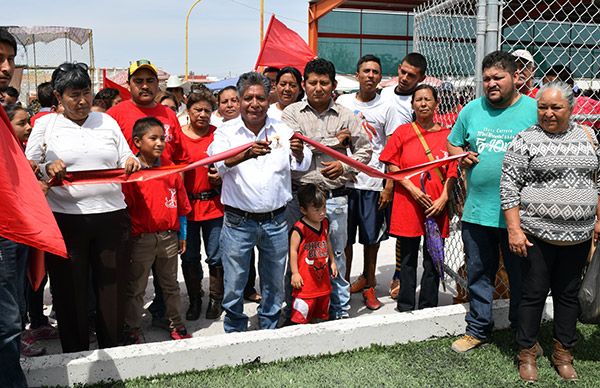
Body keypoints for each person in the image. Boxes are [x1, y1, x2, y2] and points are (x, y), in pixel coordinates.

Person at [25, 61, 141, 353]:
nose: (82, 101)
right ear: (59, 97)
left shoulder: (108, 122)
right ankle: (74, 352)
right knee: (69, 289)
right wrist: (46, 166)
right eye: (74, 94)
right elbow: (29, 167)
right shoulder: (46, 125)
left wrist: (131, 162)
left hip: (111, 217)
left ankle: (111, 348)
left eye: (86, 93)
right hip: (66, 220)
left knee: (111, 288)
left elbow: (128, 158)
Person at [500, 81, 599, 382]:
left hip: (579, 236)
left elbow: (597, 179)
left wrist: (597, 219)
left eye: (556, 107)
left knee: (568, 296)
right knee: (533, 294)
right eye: (543, 107)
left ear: (571, 108)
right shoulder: (525, 140)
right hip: (536, 235)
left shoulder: (588, 135)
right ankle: (527, 351)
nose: (548, 113)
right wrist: (514, 229)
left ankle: (563, 352)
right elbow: (508, 187)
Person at [447, 50, 537, 353]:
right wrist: (460, 155)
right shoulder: (471, 110)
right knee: (478, 274)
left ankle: (523, 333)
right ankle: (478, 329)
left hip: (520, 217)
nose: (491, 83)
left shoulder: (534, 111)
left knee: (522, 278)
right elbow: (452, 142)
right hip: (477, 212)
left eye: (498, 77)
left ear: (516, 78)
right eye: (486, 78)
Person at [208, 71, 311, 333]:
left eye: (261, 98)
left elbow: (303, 163)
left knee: (273, 280)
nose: (255, 103)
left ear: (269, 99)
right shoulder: (226, 131)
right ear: (240, 100)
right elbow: (217, 164)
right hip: (237, 221)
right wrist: (244, 155)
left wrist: (299, 152)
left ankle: (269, 326)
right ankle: (235, 328)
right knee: (235, 281)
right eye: (248, 98)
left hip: (276, 220)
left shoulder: (282, 129)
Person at [282, 58, 372, 320]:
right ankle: (295, 309)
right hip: (299, 200)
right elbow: (295, 145)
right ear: (304, 84)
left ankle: (339, 309)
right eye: (312, 82)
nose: (318, 88)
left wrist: (345, 168)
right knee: (296, 257)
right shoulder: (291, 113)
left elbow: (365, 150)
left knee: (337, 256)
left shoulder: (347, 115)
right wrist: (336, 142)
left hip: (334, 198)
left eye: (324, 83)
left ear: (333, 85)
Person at [380, 84, 458, 312]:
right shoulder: (403, 132)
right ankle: (405, 305)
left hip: (436, 206)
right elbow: (392, 164)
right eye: (418, 100)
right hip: (408, 204)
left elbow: (453, 170)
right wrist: (411, 189)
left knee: (433, 257)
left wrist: (444, 197)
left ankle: (428, 304)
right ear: (412, 104)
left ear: (436, 103)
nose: (423, 104)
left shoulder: (447, 135)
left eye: (427, 99)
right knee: (407, 257)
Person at [336, 54, 400, 310]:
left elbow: (393, 149)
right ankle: (343, 284)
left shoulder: (388, 107)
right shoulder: (342, 102)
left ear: (380, 77)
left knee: (371, 240)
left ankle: (370, 282)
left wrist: (389, 185)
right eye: (366, 71)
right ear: (357, 74)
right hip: (344, 182)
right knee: (344, 239)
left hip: (373, 184)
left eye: (375, 71)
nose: (371, 75)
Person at [122, 117, 192, 344]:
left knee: (170, 285)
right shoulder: (131, 175)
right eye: (153, 138)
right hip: (141, 239)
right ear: (137, 142)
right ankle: (131, 327)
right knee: (136, 287)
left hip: (169, 238)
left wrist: (182, 234)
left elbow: (182, 207)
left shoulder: (171, 172)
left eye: (162, 138)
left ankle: (176, 323)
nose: (159, 143)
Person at [379, 52, 428, 300]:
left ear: (421, 78)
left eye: (412, 75)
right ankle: (396, 275)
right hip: (395, 172)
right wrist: (389, 184)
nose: (405, 78)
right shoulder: (385, 95)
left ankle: (407, 275)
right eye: (403, 72)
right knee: (399, 231)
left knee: (416, 232)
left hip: (422, 175)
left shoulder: (424, 99)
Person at [0, 28, 30, 387]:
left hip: (11, 228)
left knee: (10, 320)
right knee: (6, 324)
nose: (6, 68)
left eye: (10, 60)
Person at [180, 90, 225, 320]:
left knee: (216, 256)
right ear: (188, 112)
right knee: (189, 257)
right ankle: (195, 299)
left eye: (207, 110)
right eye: (198, 109)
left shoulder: (219, 136)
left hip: (214, 207)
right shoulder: (179, 137)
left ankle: (216, 299)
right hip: (188, 208)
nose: (203, 114)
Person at [107, 59, 189, 165]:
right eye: (139, 81)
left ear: (157, 83)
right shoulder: (113, 115)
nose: (145, 86)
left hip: (165, 181)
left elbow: (180, 160)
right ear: (128, 84)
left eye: (150, 81)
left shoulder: (169, 114)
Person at [290, 184, 338, 324]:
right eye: (317, 210)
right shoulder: (299, 228)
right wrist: (295, 273)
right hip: (305, 284)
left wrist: (333, 261)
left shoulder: (324, 223)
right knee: (301, 316)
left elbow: (327, 240)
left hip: (322, 282)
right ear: (303, 210)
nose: (322, 213)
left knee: (322, 315)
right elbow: (292, 250)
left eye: (323, 207)